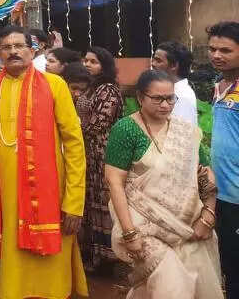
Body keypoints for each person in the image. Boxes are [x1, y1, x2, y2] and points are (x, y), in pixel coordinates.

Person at [0, 25, 87, 299]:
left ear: (33, 51)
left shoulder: (55, 85)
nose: (13, 51)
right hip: (3, 198)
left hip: (50, 196)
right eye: (6, 47)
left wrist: (74, 201)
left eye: (19, 46)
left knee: (51, 277)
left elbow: (74, 144)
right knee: (10, 273)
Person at [105, 69, 222, 298]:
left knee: (195, 285)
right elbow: (114, 181)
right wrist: (130, 234)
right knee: (172, 286)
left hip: (187, 225)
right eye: (157, 99)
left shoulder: (184, 132)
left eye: (170, 98)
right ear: (140, 98)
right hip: (142, 224)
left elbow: (205, 174)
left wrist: (208, 216)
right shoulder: (126, 129)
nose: (166, 105)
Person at [79, 45, 122, 272]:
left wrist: (73, 129)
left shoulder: (109, 90)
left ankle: (106, 258)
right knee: (90, 202)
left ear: (104, 65)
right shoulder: (92, 88)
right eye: (85, 60)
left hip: (102, 153)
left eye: (93, 61)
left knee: (103, 203)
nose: (87, 64)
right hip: (88, 152)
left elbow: (99, 123)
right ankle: (92, 253)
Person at [206, 21, 239, 299]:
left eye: (225, 50)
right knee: (228, 260)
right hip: (223, 194)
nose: (216, 55)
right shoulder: (220, 85)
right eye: (212, 49)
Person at [151, 41, 198, 125]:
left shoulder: (182, 96)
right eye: (153, 60)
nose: (153, 64)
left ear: (174, 66)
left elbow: (181, 134)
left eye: (158, 61)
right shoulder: (169, 91)